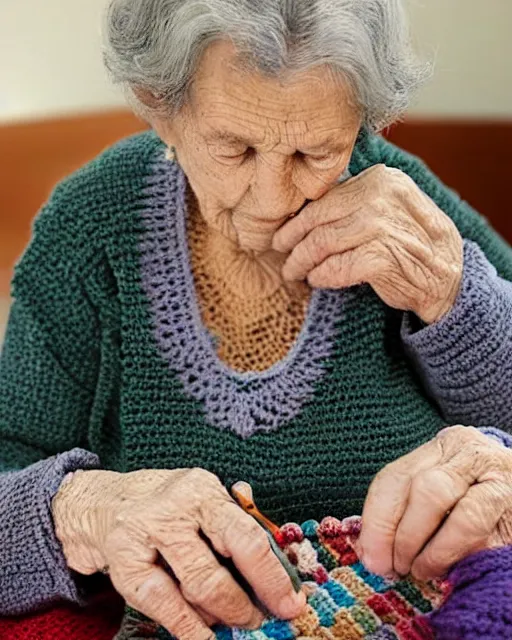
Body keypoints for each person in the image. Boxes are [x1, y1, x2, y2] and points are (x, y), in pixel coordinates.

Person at [1, 0, 511, 638]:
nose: (273, 199)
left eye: (316, 151)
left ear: (362, 122)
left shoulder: (403, 205)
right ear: (161, 105)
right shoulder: (91, 227)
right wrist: (82, 509)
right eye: (234, 149)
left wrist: (451, 293)